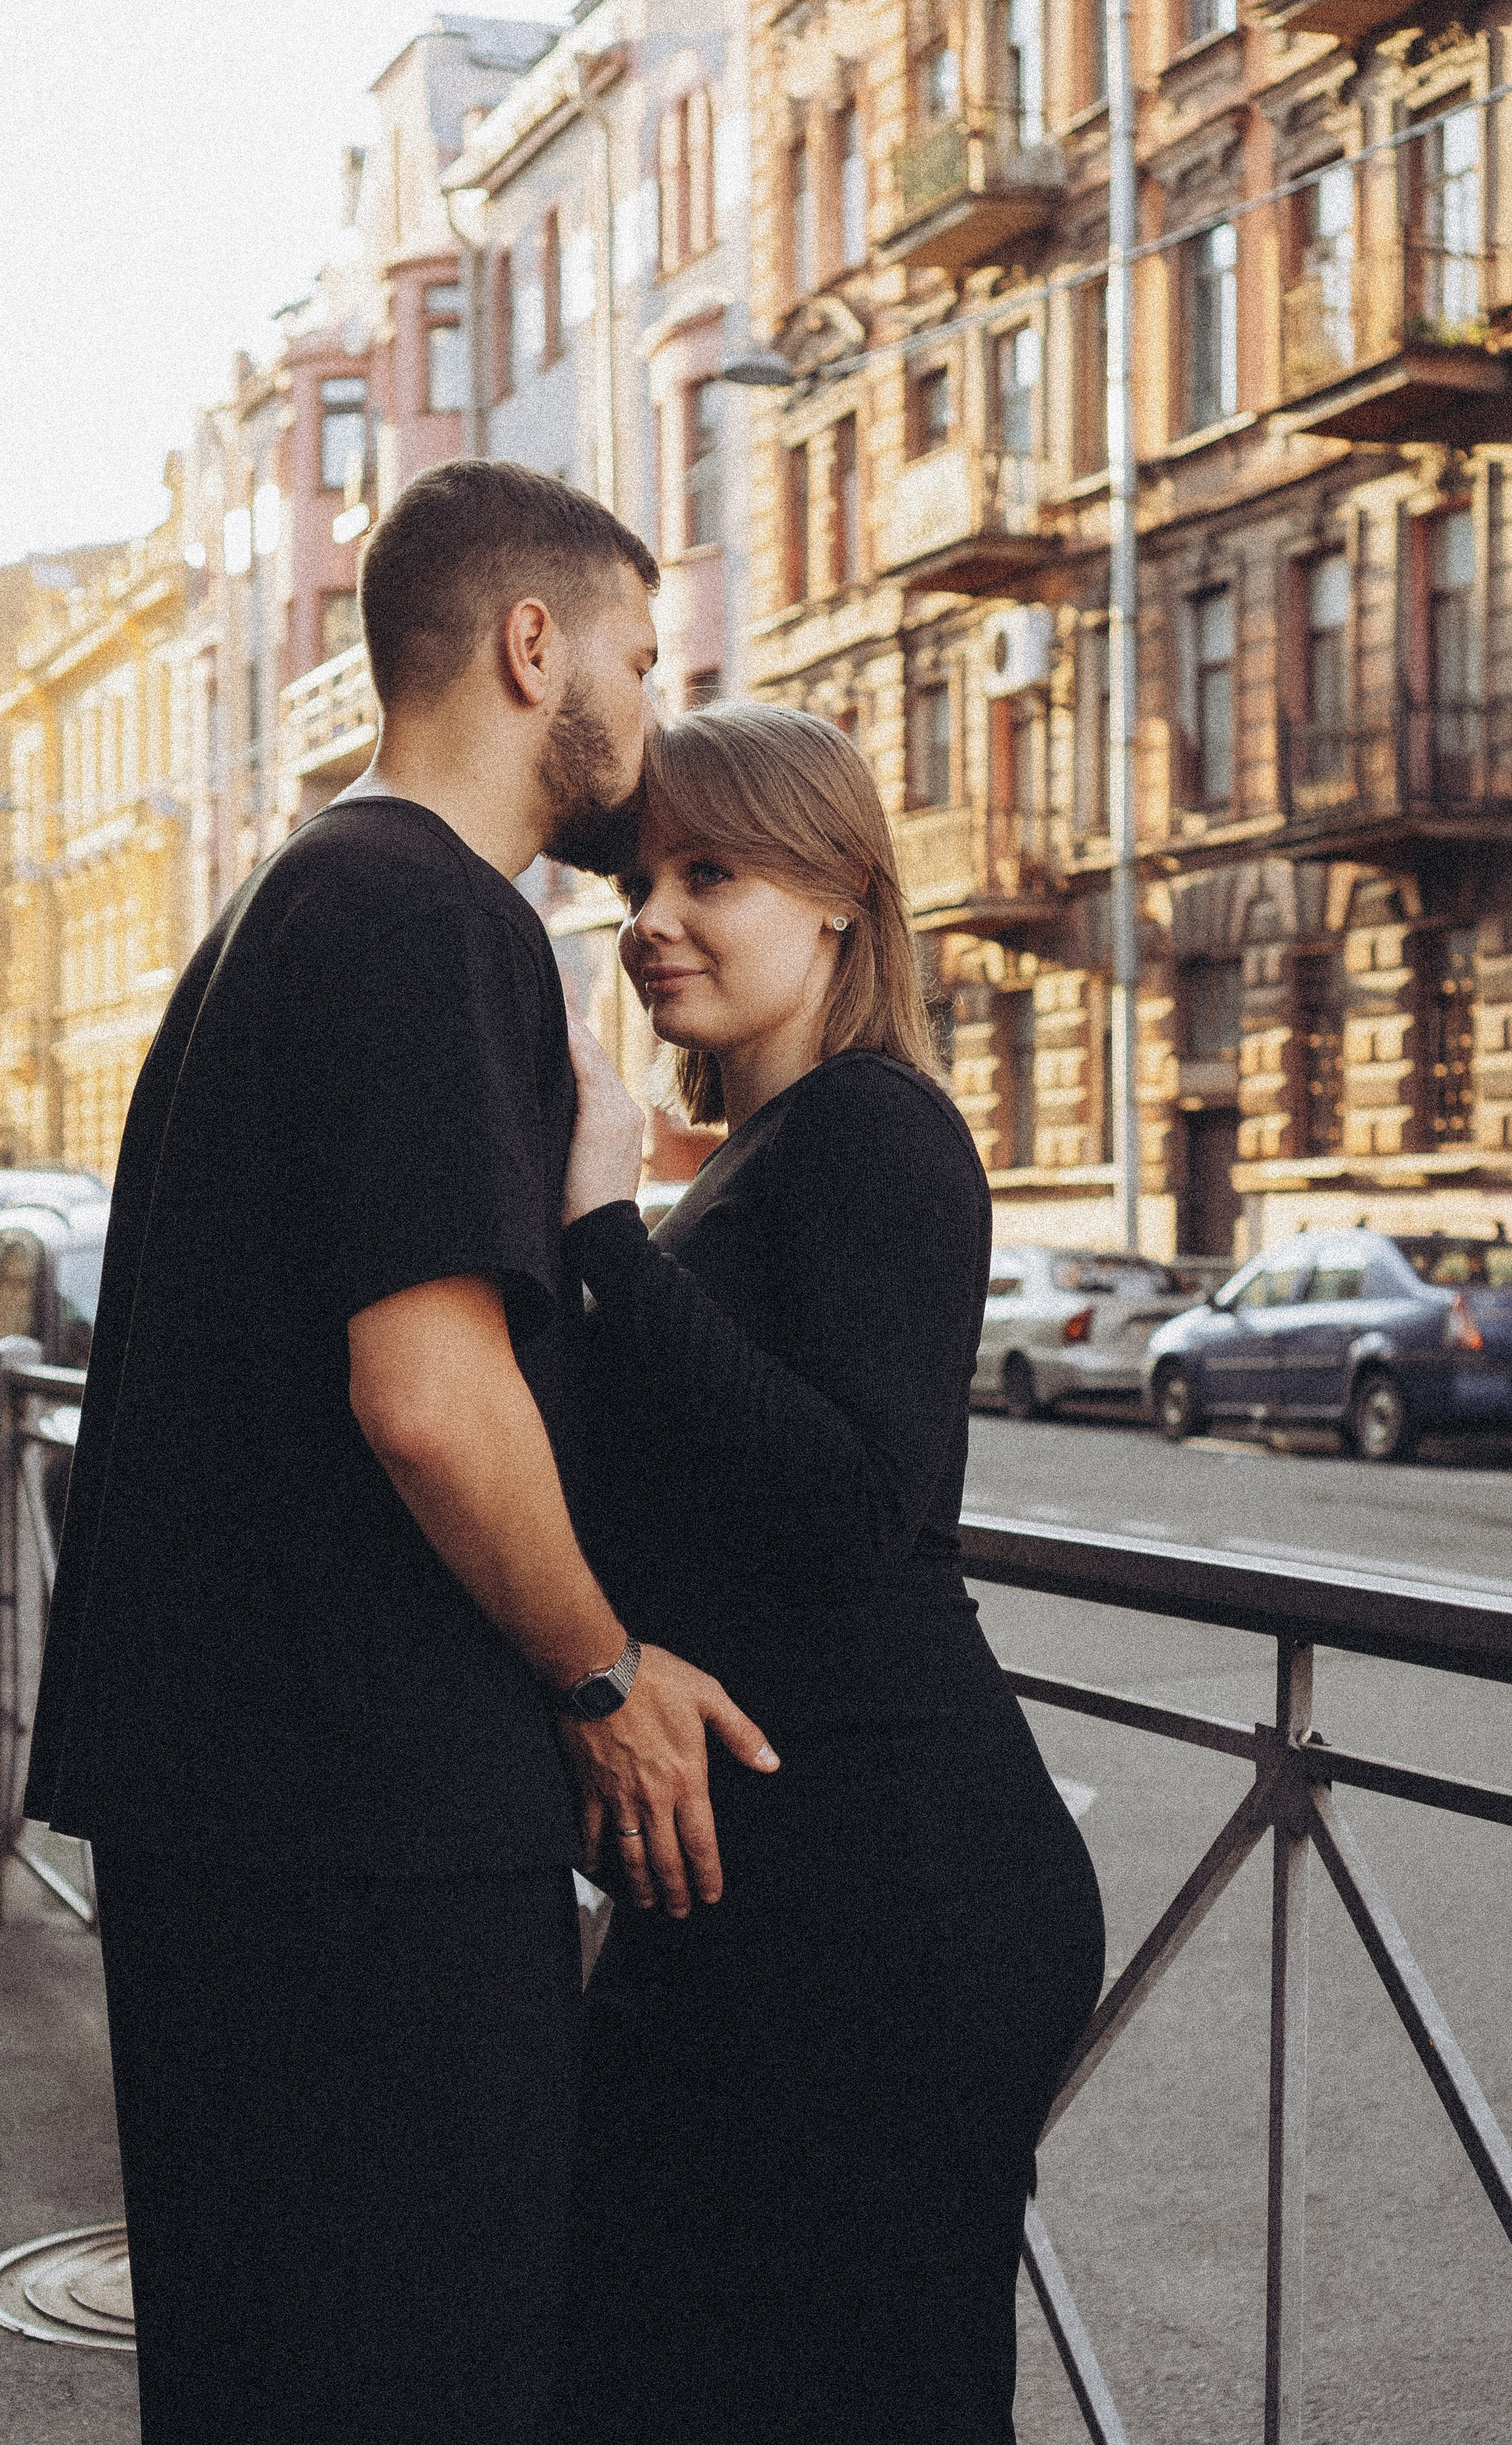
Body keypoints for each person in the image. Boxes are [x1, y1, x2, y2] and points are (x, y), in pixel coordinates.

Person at [22, 462, 776, 2444]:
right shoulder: (423, 917)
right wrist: (602, 1672)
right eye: (638, 655)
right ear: (535, 650)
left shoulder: (302, 897)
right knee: (411, 2368)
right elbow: (430, 1395)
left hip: (256, 1815)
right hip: (356, 1831)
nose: (654, 705)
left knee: (275, 2364)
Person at [553, 703, 1106, 2445]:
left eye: (711, 871)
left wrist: (595, 1240)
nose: (653, 915)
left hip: (893, 1906)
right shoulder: (760, 1163)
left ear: (842, 899)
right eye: (642, 877)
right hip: (778, 1898)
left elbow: (868, 1511)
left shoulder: (879, 1131)